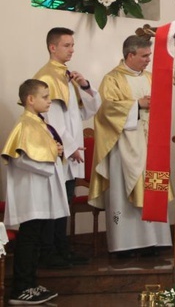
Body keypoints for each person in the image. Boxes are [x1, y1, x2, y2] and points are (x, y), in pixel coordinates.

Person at [88, 36, 172, 256]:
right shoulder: (112, 79)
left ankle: (155, 240)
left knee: (152, 189)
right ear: (130, 55)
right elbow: (105, 110)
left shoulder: (151, 78)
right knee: (123, 196)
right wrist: (137, 104)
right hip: (123, 147)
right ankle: (125, 245)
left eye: (149, 55)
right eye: (144, 56)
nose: (148, 60)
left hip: (149, 144)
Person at [34, 27, 100, 268]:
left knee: (66, 200)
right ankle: (49, 252)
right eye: (67, 45)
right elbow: (49, 118)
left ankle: (63, 249)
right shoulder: (47, 77)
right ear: (53, 47)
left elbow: (86, 112)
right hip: (59, 152)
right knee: (56, 202)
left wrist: (84, 86)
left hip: (70, 151)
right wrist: (70, 147)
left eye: (73, 45)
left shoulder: (67, 76)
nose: (72, 49)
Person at [2, 79, 67, 305]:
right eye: (45, 97)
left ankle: (30, 283)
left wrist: (55, 151)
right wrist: (49, 163)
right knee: (28, 239)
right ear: (31, 99)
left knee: (36, 238)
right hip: (29, 193)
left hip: (39, 191)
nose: (49, 101)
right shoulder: (24, 125)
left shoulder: (39, 124)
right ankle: (20, 288)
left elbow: (44, 151)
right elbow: (17, 158)